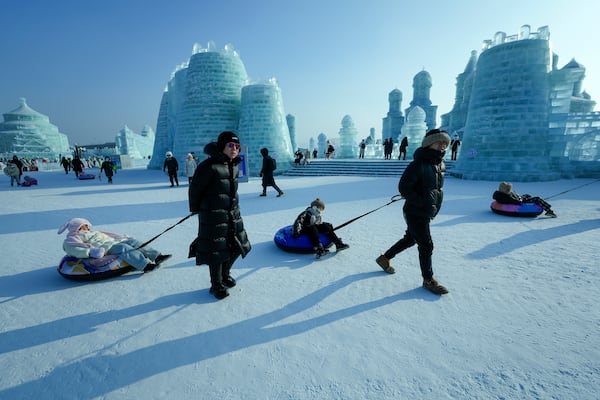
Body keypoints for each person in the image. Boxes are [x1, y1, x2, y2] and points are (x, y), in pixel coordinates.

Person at [375, 128, 451, 295]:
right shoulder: (418, 164)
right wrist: (422, 202)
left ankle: (385, 258)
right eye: (439, 142)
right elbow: (404, 188)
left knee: (410, 239)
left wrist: (432, 205)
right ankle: (428, 280)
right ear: (429, 143)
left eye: (445, 143)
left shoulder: (440, 164)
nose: (443, 146)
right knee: (426, 245)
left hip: (427, 211)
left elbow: (436, 189)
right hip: (415, 211)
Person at [189, 131, 252, 300]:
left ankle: (225, 274)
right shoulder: (208, 166)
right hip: (213, 215)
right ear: (222, 146)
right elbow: (195, 189)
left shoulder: (234, 165)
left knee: (239, 245)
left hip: (232, 213)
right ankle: (216, 284)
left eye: (237, 146)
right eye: (231, 145)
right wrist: (196, 209)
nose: (234, 149)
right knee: (216, 251)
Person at [57, 217, 171, 273]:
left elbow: (109, 235)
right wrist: (91, 252)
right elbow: (73, 249)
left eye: (86, 225)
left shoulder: (93, 232)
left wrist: (123, 237)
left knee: (134, 243)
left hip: (113, 242)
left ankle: (157, 256)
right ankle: (145, 265)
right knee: (124, 248)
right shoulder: (73, 238)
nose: (86, 228)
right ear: (76, 227)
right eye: (83, 226)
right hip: (106, 249)